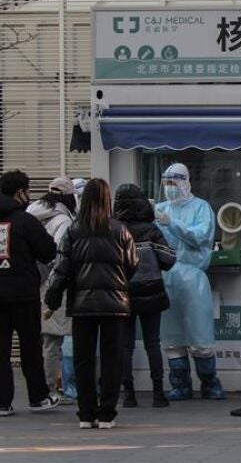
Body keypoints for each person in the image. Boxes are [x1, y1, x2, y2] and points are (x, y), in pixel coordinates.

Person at [44, 179, 138, 429]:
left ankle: (86, 414)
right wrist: (119, 283)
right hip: (115, 304)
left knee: (83, 360)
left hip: (82, 304)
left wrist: (52, 300)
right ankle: (107, 414)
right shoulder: (120, 230)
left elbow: (61, 269)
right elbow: (132, 264)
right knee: (111, 359)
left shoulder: (74, 231)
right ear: (108, 200)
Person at [154, 163, 224, 400]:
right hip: (166, 278)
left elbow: (201, 236)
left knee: (200, 333)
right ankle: (180, 384)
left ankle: (210, 382)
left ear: (185, 182)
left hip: (193, 277)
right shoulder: (159, 209)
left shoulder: (201, 208)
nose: (170, 188)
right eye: (166, 183)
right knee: (171, 335)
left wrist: (172, 224)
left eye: (173, 182)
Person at [0, 170, 60, 416]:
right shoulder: (25, 221)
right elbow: (48, 251)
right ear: (20, 193)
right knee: (30, 348)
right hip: (24, 295)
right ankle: (38, 398)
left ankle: (2, 403)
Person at [114, 184, 176, 408]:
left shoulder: (114, 230)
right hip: (151, 290)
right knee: (152, 343)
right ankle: (158, 394)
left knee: (125, 346)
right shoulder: (151, 230)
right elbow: (168, 259)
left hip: (123, 292)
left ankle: (128, 394)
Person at [26, 177, 77, 401]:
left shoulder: (31, 214)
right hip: (54, 285)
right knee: (55, 340)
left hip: (33, 282)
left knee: (44, 340)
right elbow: (59, 256)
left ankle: (46, 387)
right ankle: (52, 389)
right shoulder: (63, 220)